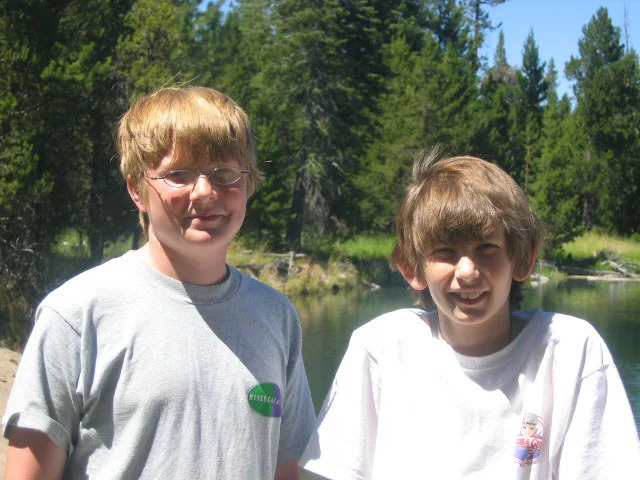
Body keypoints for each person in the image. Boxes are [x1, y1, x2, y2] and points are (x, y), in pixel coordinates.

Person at [3, 86, 315, 479]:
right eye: (178, 175)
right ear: (137, 189)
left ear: (248, 181)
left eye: (224, 173)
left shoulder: (276, 316)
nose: (205, 192)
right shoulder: (77, 314)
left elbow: (284, 468)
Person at [299, 149, 640, 478]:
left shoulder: (569, 350)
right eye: (444, 251)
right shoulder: (380, 347)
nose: (467, 271)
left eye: (486, 248)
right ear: (412, 268)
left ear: (522, 259)